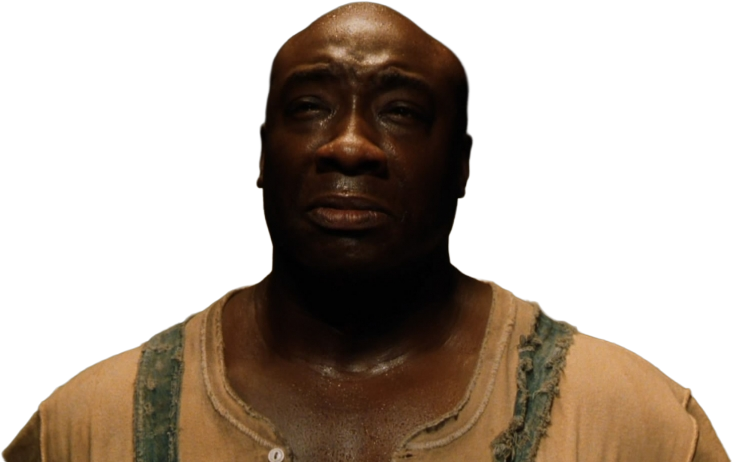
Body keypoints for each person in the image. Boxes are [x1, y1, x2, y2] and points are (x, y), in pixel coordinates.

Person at [3, 2, 731, 461]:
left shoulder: (629, 424)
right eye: (310, 107)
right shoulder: (90, 427)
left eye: (401, 112)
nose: (348, 145)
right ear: (264, 156)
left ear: (460, 165)